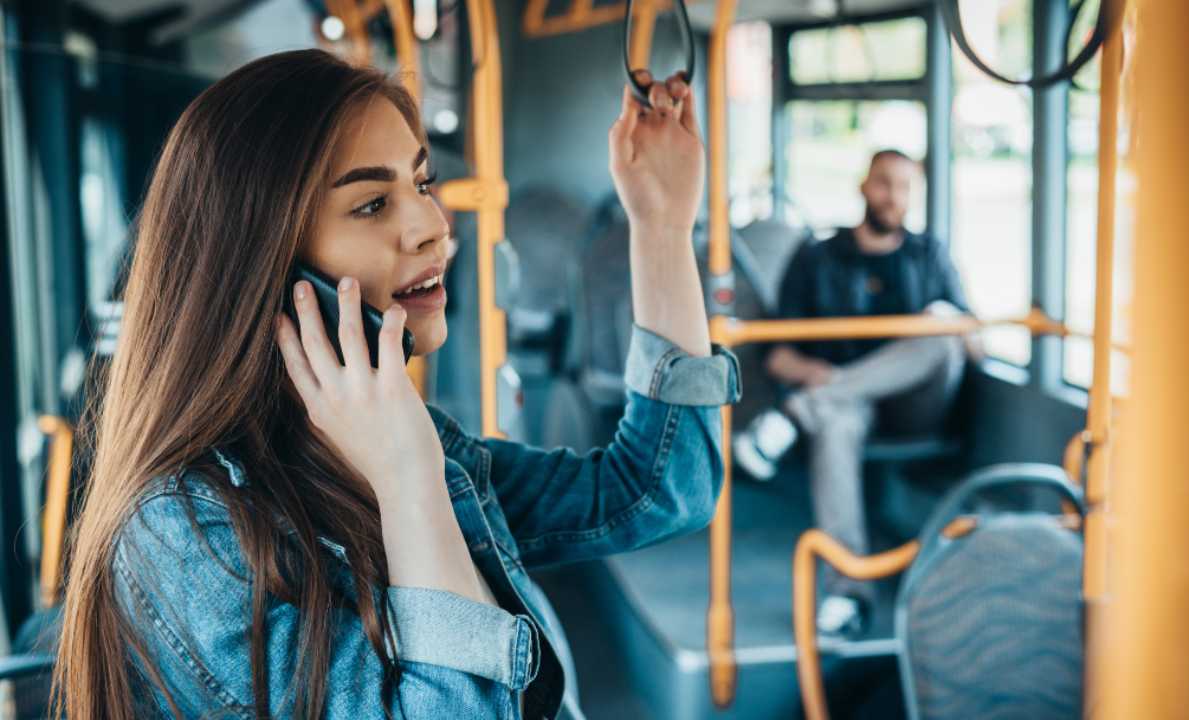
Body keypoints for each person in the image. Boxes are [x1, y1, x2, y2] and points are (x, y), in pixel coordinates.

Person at [53, 50, 738, 719]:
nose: (434, 227)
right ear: (263, 263)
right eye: (373, 203)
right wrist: (408, 481)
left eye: (423, 184)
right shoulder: (184, 529)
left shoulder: (401, 443)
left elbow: (657, 489)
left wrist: (661, 224)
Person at [733, 149, 973, 638]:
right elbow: (777, 355)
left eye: (905, 188)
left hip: (911, 406)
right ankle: (848, 596)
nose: (895, 198)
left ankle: (794, 416)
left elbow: (975, 345)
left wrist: (948, 324)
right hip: (844, 403)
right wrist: (816, 375)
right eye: (885, 184)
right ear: (864, 187)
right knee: (839, 420)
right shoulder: (818, 256)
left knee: (941, 333)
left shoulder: (930, 255)